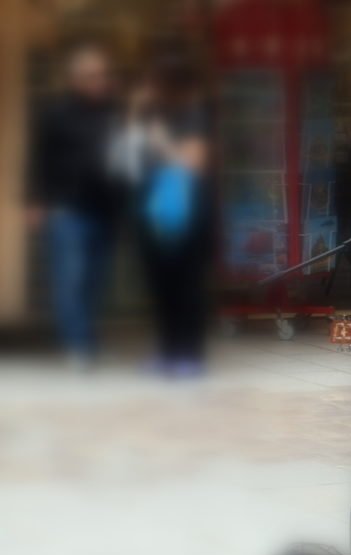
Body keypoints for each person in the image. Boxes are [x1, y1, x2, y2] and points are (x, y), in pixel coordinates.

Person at [26, 42, 120, 369]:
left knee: (95, 280)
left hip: (105, 209)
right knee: (70, 279)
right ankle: (77, 344)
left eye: (103, 75)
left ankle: (86, 339)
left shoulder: (113, 112)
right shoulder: (55, 113)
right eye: (92, 75)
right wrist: (36, 202)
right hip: (67, 208)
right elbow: (39, 159)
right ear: (75, 79)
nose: (100, 81)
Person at [120, 51, 212, 376]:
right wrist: (134, 115)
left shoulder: (193, 116)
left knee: (186, 287)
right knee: (160, 286)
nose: (150, 89)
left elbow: (194, 165)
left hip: (188, 218)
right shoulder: (149, 118)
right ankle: (167, 351)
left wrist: (161, 143)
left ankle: (189, 355)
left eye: (155, 83)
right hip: (153, 216)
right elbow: (128, 165)